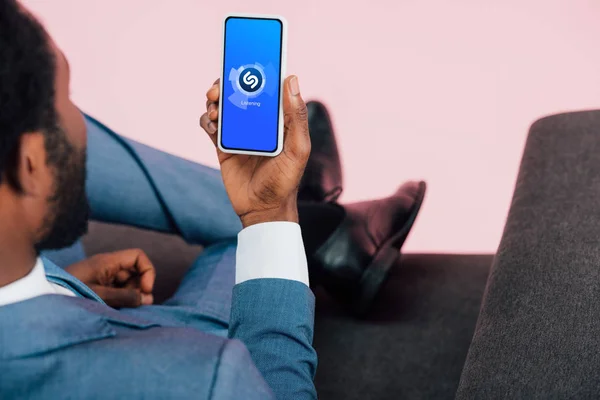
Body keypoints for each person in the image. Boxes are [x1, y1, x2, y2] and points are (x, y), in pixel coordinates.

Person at [0, 1, 426, 398]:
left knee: (20, 105)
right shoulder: (207, 379)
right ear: (30, 165)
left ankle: (314, 215)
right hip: (150, 341)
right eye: (69, 99)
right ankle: (312, 220)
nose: (82, 121)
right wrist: (270, 217)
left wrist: (59, 280)